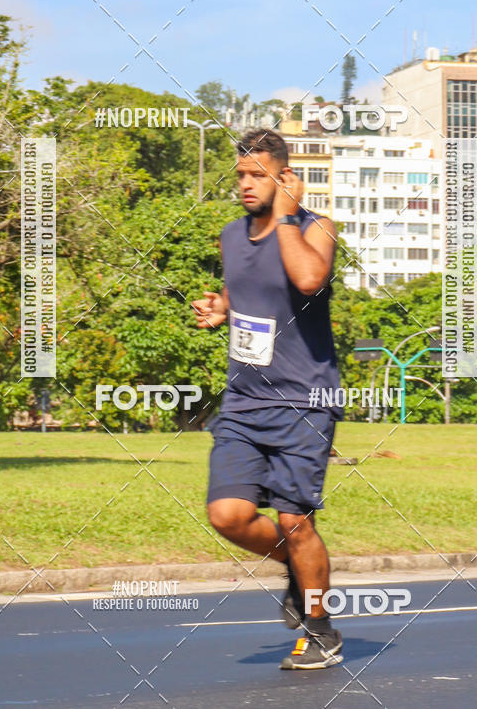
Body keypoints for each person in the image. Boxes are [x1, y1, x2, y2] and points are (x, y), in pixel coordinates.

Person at [192, 128, 344, 670]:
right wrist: (221, 309)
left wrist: (285, 215)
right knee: (227, 515)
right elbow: (243, 291)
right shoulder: (231, 236)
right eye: (240, 175)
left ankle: (322, 630)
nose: (245, 184)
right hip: (243, 401)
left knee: (293, 522)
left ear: (285, 177)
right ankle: (296, 570)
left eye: (258, 175)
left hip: (304, 401)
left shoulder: (316, 227)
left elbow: (307, 279)